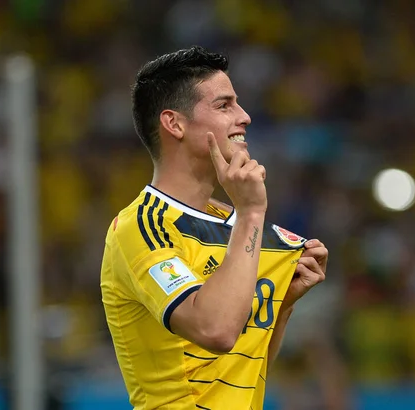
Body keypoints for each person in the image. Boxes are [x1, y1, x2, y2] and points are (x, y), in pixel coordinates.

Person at [100, 46, 328, 410]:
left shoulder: (241, 230)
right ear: (174, 123)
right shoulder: (141, 229)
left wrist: (282, 304)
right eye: (224, 106)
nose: (245, 116)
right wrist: (251, 212)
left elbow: (241, 371)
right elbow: (216, 331)